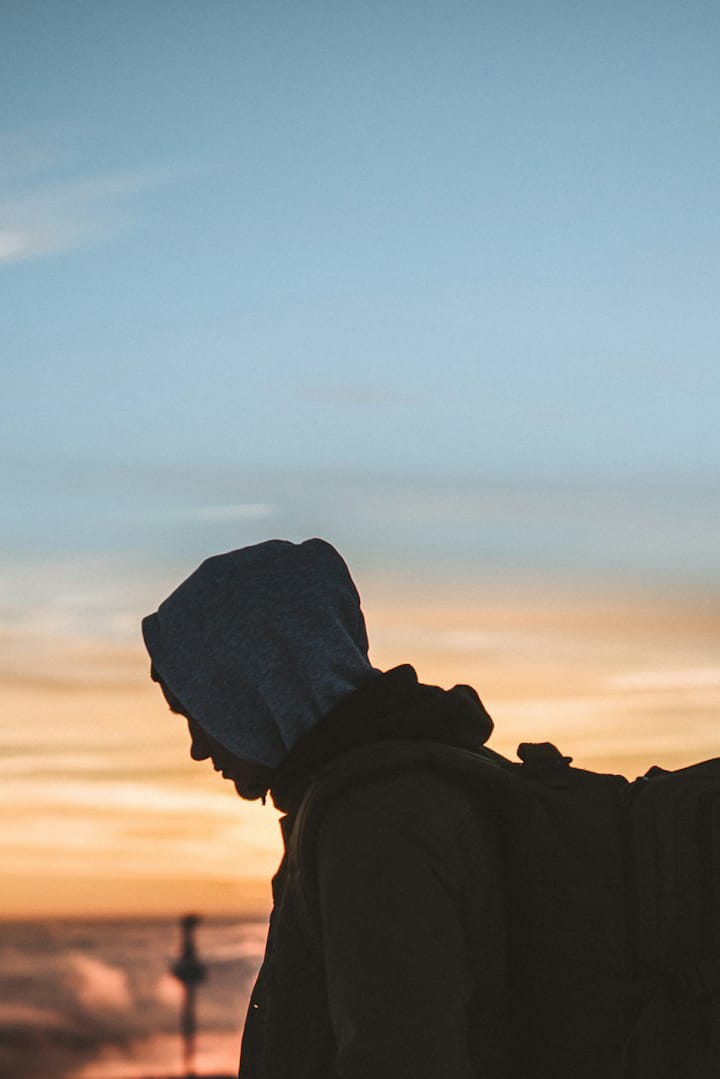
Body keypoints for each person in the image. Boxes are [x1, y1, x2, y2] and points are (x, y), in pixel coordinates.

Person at [142, 537, 507, 1079]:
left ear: (248, 689)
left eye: (197, 712)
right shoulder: (424, 779)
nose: (198, 746)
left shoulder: (375, 823)